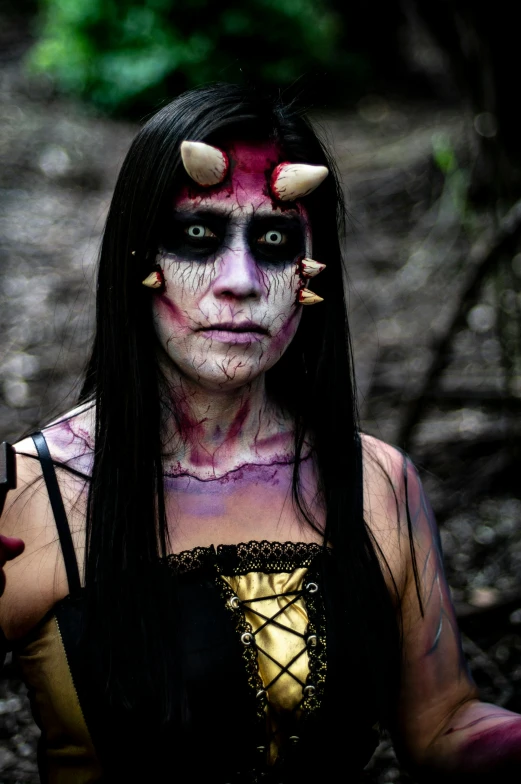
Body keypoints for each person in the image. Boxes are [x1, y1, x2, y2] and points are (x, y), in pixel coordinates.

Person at [0, 83, 520, 783]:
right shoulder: (33, 493)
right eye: (196, 235)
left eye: (275, 241)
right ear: (136, 260)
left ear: (311, 275)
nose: (240, 282)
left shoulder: (377, 483)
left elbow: (442, 727)